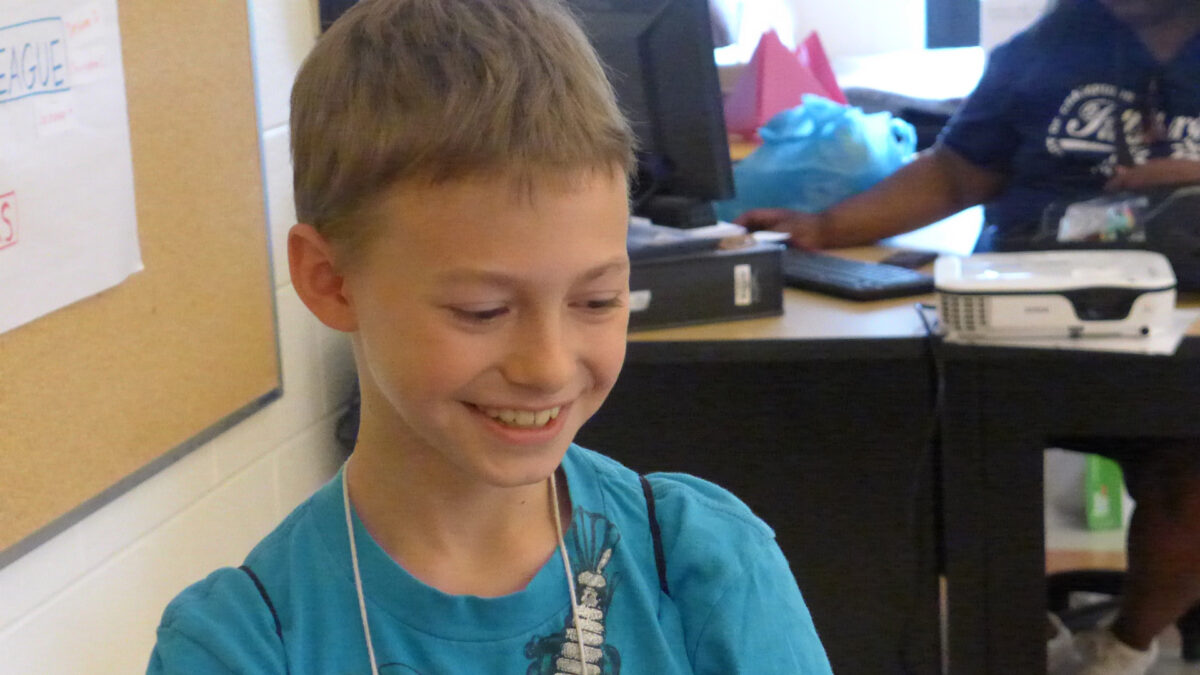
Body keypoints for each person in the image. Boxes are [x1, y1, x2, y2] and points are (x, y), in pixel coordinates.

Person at [146, 1, 832, 673]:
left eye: (597, 299)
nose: (548, 365)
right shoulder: (243, 644)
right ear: (331, 281)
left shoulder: (702, 563)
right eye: (482, 310)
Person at [738, 1, 1200, 674]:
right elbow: (958, 170)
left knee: (1189, 470)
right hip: (1025, 320)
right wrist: (828, 226)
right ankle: (1007, 628)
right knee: (918, 435)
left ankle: (1126, 643)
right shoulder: (1051, 44)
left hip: (1177, 333)